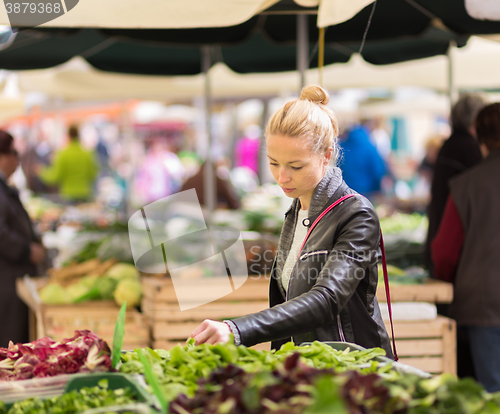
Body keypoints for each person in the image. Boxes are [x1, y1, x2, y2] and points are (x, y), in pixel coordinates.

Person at [189, 85, 393, 357]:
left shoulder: (356, 214)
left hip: (353, 366)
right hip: (309, 365)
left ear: (326, 155)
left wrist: (238, 330)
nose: (282, 177)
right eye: (274, 163)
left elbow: (326, 299)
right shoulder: (296, 211)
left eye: (296, 166)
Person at [432, 102, 500, 393]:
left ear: (479, 137)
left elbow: (445, 251)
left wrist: (448, 279)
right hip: (484, 304)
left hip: (483, 303)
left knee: (493, 395)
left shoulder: (466, 185)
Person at [425, 93, 487, 274]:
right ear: (476, 119)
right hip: (455, 244)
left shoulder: (449, 145)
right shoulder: (470, 149)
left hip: (441, 236)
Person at [0, 130, 46, 346]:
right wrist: (27, 250)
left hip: (12, 279)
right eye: (14, 154)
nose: (18, 160)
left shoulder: (5, 188)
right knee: (10, 343)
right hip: (7, 281)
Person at [39, 125, 99, 202]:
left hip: (68, 195)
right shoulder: (87, 154)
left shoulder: (63, 154)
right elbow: (93, 174)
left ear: (68, 136)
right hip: (85, 193)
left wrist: (42, 172)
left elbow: (55, 176)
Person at [338, 123, 387, 199]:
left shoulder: (342, 147)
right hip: (368, 192)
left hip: (347, 192)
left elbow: (338, 168)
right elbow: (378, 171)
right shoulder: (369, 147)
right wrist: (378, 188)